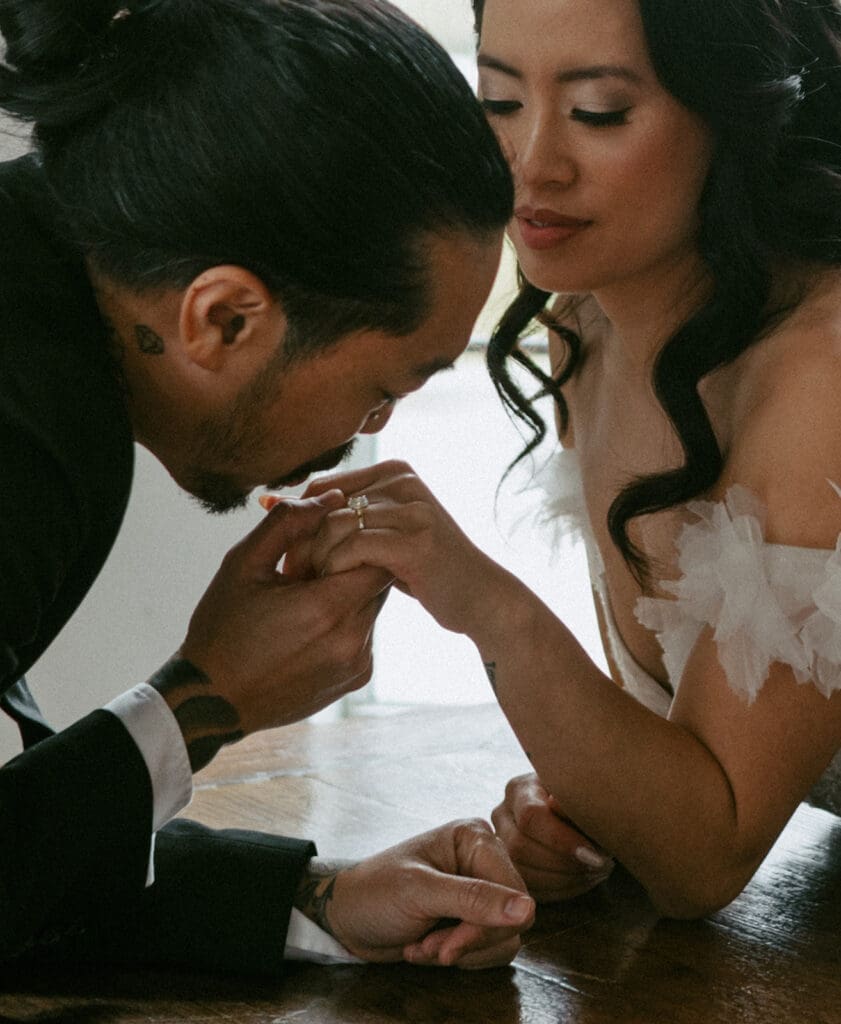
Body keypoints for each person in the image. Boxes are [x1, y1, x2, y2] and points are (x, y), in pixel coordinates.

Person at [0, 0, 539, 975]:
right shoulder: (34, 424)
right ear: (226, 317)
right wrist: (204, 696)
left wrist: (312, 899)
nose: (365, 436)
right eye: (383, 388)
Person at [292, 0, 841, 924]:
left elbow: (706, 859)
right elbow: (689, 771)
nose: (532, 163)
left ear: (733, 116)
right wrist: (586, 814)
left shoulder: (821, 370)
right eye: (499, 101)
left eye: (597, 113)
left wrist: (482, 600)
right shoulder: (581, 318)